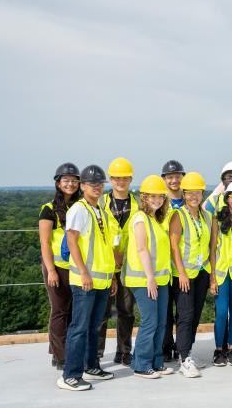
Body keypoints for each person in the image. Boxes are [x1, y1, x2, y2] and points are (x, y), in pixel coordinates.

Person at [57, 165, 116, 391]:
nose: (98, 187)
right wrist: (83, 271)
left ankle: (91, 366)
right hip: (85, 280)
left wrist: (111, 278)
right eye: (93, 184)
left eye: (100, 184)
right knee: (79, 327)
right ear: (82, 187)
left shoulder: (99, 210)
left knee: (94, 327)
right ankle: (70, 375)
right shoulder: (79, 209)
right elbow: (72, 241)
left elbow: (105, 247)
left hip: (101, 279)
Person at [124, 175, 174, 378]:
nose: (157, 200)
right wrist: (150, 278)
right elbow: (142, 249)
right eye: (152, 196)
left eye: (160, 197)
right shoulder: (139, 218)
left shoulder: (155, 219)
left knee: (161, 322)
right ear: (144, 197)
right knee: (150, 321)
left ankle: (156, 361)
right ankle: (142, 365)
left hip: (161, 280)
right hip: (144, 280)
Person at [169, 172, 212, 377]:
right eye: (190, 193)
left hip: (202, 271)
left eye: (198, 192)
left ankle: (186, 353)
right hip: (184, 274)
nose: (194, 196)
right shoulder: (179, 215)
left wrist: (212, 275)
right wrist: (182, 273)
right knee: (185, 316)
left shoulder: (207, 216)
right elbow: (174, 246)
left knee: (195, 315)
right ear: (184, 194)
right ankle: (184, 359)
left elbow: (212, 247)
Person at [39, 163, 81, 370]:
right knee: (59, 311)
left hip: (76, 267)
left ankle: (60, 350)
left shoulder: (81, 206)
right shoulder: (48, 210)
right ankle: (61, 356)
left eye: (74, 180)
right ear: (58, 183)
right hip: (56, 266)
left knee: (73, 311)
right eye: (66, 180)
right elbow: (45, 243)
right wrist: (52, 270)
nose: (71, 184)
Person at [203, 161, 232, 357]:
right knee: (221, 313)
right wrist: (212, 276)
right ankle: (219, 349)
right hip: (220, 273)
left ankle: (231, 348)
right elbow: (212, 248)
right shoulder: (217, 217)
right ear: (227, 197)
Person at [97, 157, 137, 366]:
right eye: (116, 178)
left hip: (129, 266)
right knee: (102, 311)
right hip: (105, 265)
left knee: (126, 311)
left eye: (124, 178)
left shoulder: (138, 204)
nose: (120, 181)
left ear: (131, 179)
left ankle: (124, 351)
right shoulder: (100, 203)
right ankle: (96, 353)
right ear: (110, 180)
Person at [160, 159, 186, 362]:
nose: (174, 179)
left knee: (184, 312)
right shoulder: (159, 202)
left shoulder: (189, 201)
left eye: (177, 175)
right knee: (165, 312)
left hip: (184, 267)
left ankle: (181, 346)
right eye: (170, 176)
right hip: (163, 266)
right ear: (164, 179)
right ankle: (165, 347)